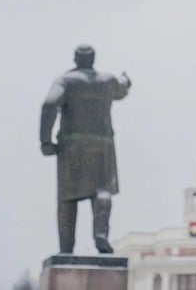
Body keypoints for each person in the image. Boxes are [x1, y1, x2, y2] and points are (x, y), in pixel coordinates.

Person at [40, 45, 131, 254]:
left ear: (75, 59)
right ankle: (100, 234)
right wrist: (126, 79)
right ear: (93, 59)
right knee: (102, 191)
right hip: (102, 144)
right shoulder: (107, 81)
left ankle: (66, 248)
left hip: (71, 146)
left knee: (67, 199)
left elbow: (49, 104)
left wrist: (45, 141)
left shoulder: (66, 81)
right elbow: (122, 89)